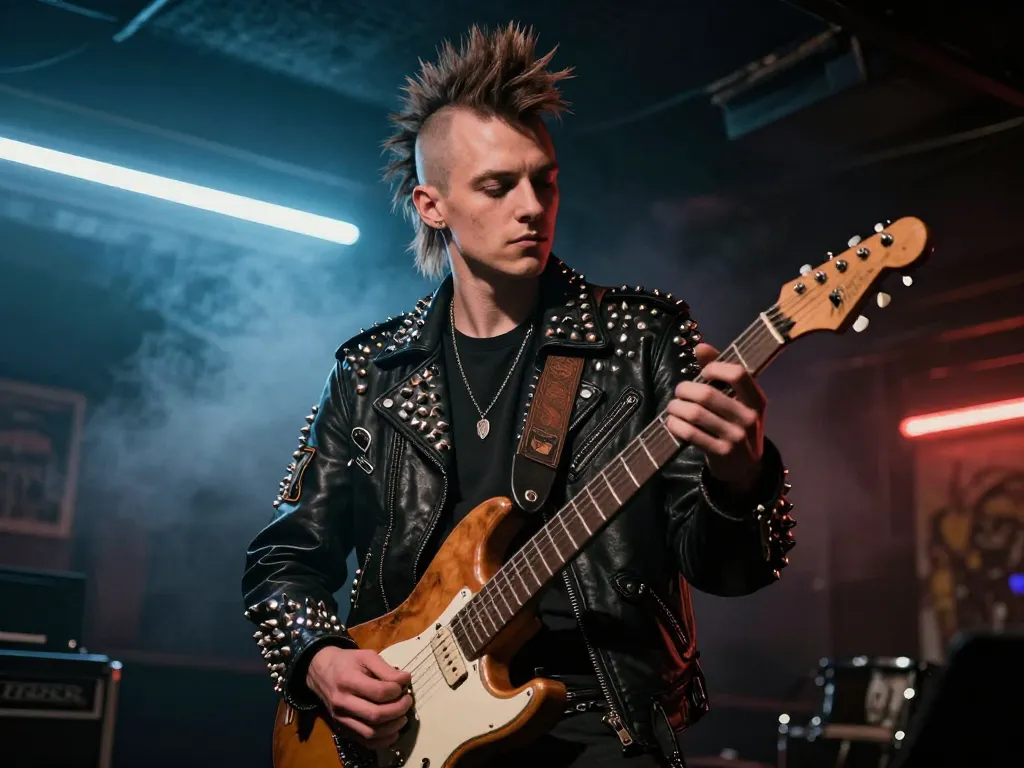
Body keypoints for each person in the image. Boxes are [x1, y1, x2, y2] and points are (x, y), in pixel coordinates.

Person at [242, 22, 796, 767]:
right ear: (432, 205)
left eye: (546, 179)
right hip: (408, 734)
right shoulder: (370, 371)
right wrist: (320, 661)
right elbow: (282, 563)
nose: (532, 206)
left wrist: (741, 477)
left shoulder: (641, 336)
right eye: (498, 186)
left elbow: (731, 570)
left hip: (603, 724)